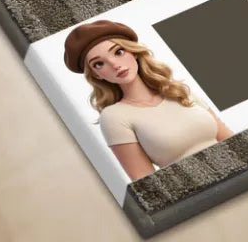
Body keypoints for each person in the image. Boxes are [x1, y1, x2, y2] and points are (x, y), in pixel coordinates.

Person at [63, 19, 233, 181]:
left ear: (133, 52)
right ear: (96, 75)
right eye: (99, 64)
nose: (115, 65)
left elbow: (231, 139)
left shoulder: (178, 90)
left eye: (118, 52)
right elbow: (148, 183)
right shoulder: (114, 117)